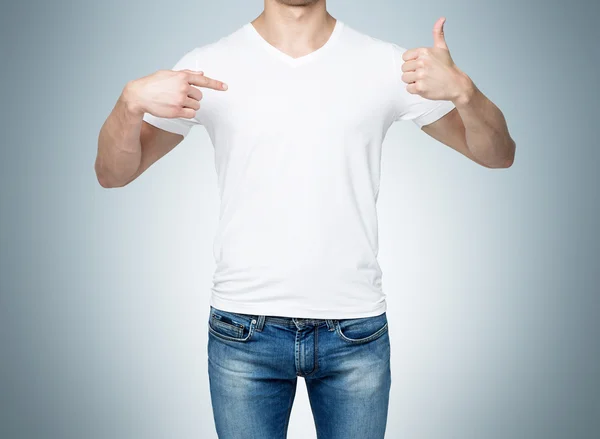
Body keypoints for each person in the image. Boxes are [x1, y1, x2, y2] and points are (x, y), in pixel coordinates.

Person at [95, 0, 515, 437]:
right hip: (243, 330)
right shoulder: (208, 66)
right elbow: (113, 173)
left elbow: (499, 154)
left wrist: (465, 91)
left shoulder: (387, 64)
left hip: (355, 331)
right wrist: (128, 104)